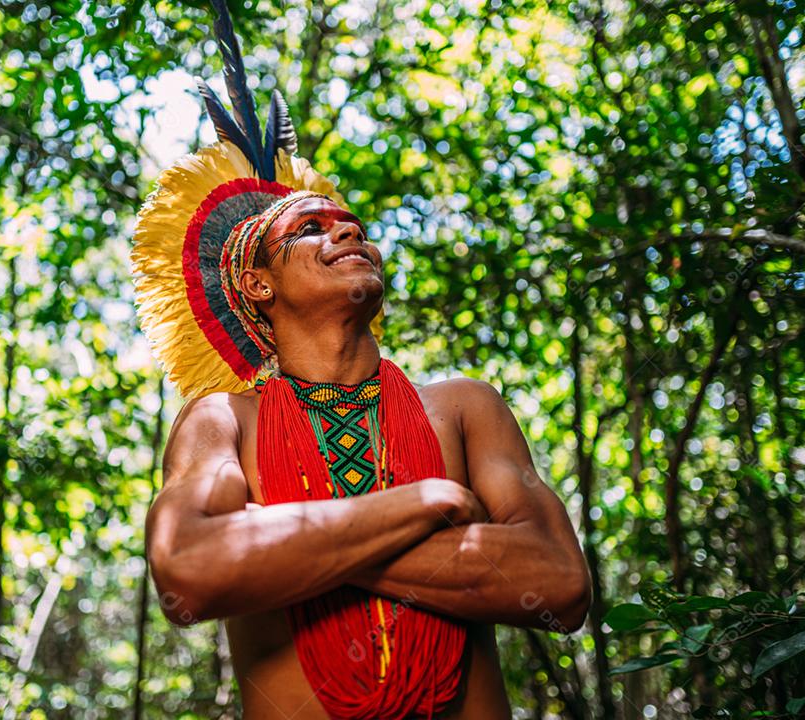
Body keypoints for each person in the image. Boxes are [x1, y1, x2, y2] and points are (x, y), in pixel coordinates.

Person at [131, 3, 591, 717]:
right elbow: (188, 572)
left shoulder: (466, 408)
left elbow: (559, 585)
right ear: (257, 285)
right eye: (309, 229)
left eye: (354, 227)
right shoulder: (223, 420)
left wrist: (293, 543)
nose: (347, 229)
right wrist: (423, 506)